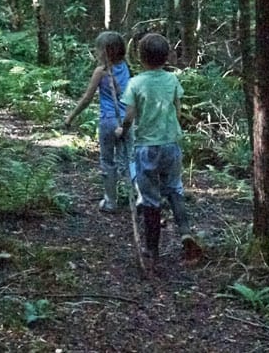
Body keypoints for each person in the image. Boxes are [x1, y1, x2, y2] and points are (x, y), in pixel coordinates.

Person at [115, 32, 194, 271]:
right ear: (167, 56)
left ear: (140, 57)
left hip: (146, 147)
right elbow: (178, 111)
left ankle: (152, 249)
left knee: (149, 197)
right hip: (171, 143)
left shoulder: (135, 83)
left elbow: (129, 115)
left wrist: (122, 130)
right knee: (174, 188)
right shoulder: (172, 80)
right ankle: (185, 232)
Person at [66, 30, 132, 213]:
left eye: (98, 49)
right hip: (126, 119)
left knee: (107, 160)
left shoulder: (101, 72)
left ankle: (111, 201)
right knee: (127, 159)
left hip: (109, 120)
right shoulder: (126, 67)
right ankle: (139, 196)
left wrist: (71, 117)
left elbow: (87, 98)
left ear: (105, 52)